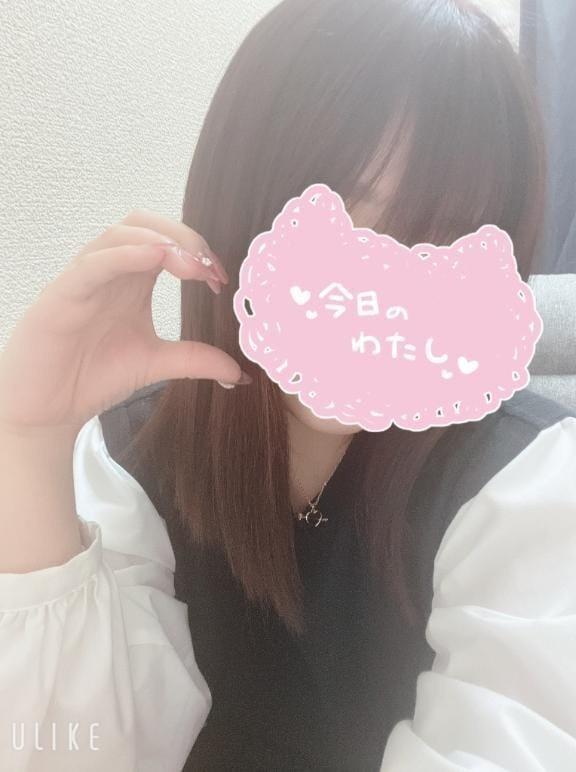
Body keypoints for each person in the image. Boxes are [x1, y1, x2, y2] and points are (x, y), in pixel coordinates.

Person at [1, 0, 576, 770]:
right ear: (238, 195)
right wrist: (27, 439)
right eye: (337, 215)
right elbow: (69, 752)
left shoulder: (528, 481)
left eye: (438, 239)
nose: (373, 291)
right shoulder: (132, 454)